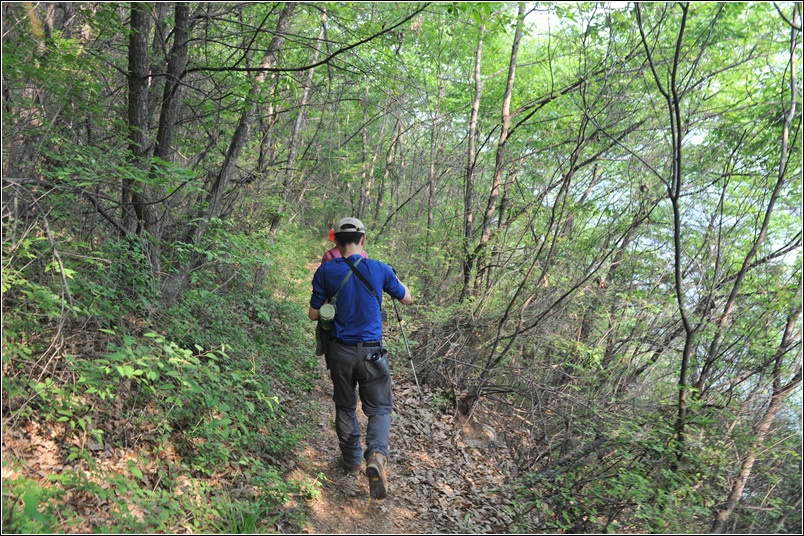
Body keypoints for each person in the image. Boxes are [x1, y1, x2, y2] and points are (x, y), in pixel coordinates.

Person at [309, 217, 412, 500]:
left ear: (336, 242)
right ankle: (376, 455)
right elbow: (407, 298)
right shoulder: (380, 268)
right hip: (372, 353)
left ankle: (352, 460)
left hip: (340, 352)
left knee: (345, 407)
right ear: (363, 240)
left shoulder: (326, 271)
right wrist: (393, 279)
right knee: (379, 409)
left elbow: (313, 314)